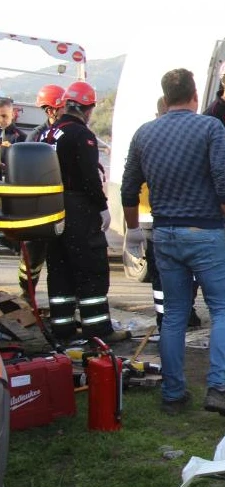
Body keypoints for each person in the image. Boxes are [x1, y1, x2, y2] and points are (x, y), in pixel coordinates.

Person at [120, 68, 225, 417]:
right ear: (194, 96)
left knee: (173, 314)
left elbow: (129, 188)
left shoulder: (145, 133)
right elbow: (223, 177)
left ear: (166, 96)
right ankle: (218, 387)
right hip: (205, 232)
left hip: (166, 234)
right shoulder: (208, 127)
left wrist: (132, 231)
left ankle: (173, 392)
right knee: (223, 309)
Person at [40, 82, 129, 343]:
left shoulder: (50, 133)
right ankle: (98, 329)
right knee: (92, 269)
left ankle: (63, 328)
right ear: (87, 108)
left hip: (52, 209)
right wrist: (102, 207)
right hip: (78, 208)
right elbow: (90, 176)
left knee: (59, 269)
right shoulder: (81, 135)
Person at [143, 96, 202, 331]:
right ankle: (174, 316)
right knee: (172, 275)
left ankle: (174, 316)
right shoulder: (170, 140)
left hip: (155, 219)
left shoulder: (146, 136)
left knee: (165, 276)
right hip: (167, 218)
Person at [18, 85, 64, 295]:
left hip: (62, 204)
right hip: (39, 206)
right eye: (63, 107)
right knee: (33, 254)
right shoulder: (35, 138)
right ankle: (27, 293)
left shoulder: (68, 133)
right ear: (50, 110)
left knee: (60, 257)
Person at [0, 96, 27, 180]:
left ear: (12, 115)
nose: (0, 119)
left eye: (4, 116)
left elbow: (22, 165)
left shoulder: (21, 137)